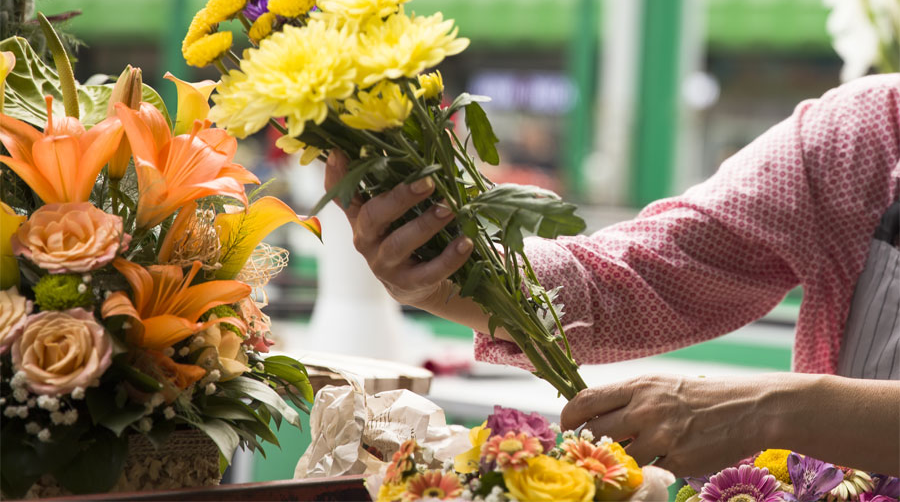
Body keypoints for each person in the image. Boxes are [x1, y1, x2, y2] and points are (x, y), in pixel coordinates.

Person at [323, 73, 900, 477]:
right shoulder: (867, 133)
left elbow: (777, 407)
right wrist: (444, 277)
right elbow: (637, 278)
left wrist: (777, 410)